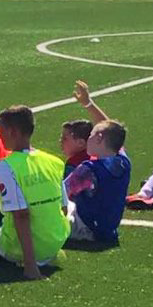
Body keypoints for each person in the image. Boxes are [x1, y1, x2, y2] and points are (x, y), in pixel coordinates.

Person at [0, 105, 69, 280]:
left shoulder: (7, 166)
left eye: (1, 130)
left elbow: (21, 215)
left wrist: (30, 265)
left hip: (22, 247)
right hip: (56, 241)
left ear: (13, 132)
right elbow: (63, 208)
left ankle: (22, 259)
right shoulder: (53, 161)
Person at [65, 82, 131, 244]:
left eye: (91, 135)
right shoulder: (123, 162)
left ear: (99, 138)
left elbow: (60, 193)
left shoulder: (87, 170)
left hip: (85, 228)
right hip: (108, 230)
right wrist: (88, 104)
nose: (88, 139)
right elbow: (112, 131)